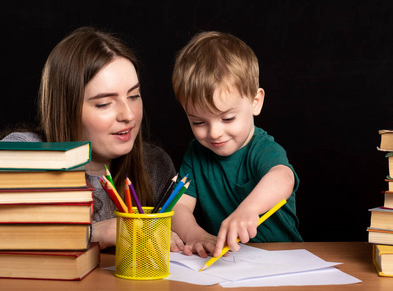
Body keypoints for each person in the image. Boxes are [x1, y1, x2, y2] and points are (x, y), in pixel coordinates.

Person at [1, 27, 184, 251]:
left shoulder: (155, 164)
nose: (128, 115)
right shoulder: (22, 153)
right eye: (104, 104)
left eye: (134, 96)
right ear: (67, 109)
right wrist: (94, 233)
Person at [171, 31, 303, 258]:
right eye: (198, 122)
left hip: (282, 258)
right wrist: (195, 234)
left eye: (227, 118)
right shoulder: (196, 153)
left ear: (255, 102)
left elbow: (283, 177)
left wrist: (249, 209)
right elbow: (177, 205)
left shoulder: (261, 148)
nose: (214, 132)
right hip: (229, 262)